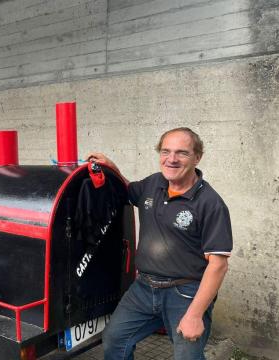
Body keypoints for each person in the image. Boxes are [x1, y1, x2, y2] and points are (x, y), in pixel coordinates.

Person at [88, 127, 232, 360]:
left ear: (197, 157)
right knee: (115, 340)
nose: (171, 159)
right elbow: (127, 190)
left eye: (181, 153)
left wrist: (195, 315)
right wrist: (112, 168)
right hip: (144, 288)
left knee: (187, 357)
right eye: (166, 151)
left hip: (185, 292)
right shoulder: (153, 183)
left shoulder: (210, 203)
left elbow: (218, 265)